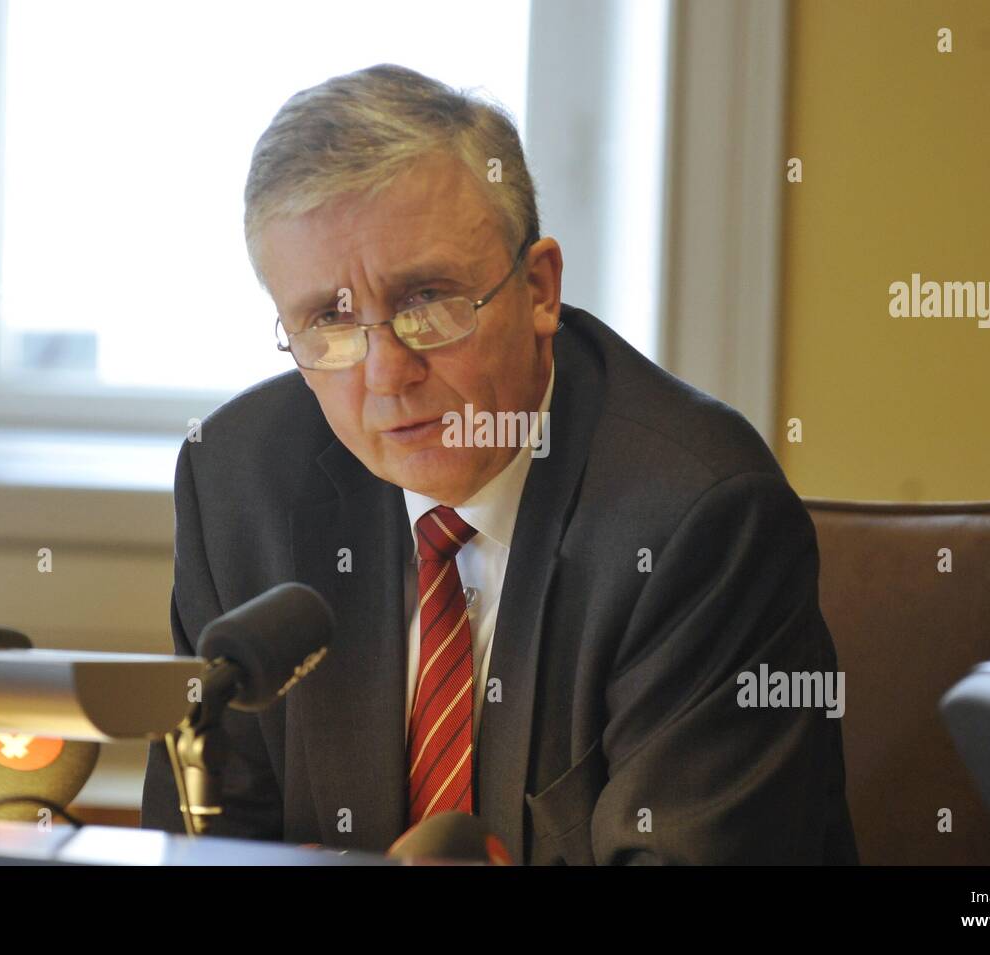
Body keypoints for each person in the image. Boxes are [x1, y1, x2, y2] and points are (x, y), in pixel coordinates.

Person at [141, 63, 859, 865]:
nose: (386, 374)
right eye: (329, 323)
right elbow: (202, 841)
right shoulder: (238, 485)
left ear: (540, 288)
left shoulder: (698, 520)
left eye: (426, 302)